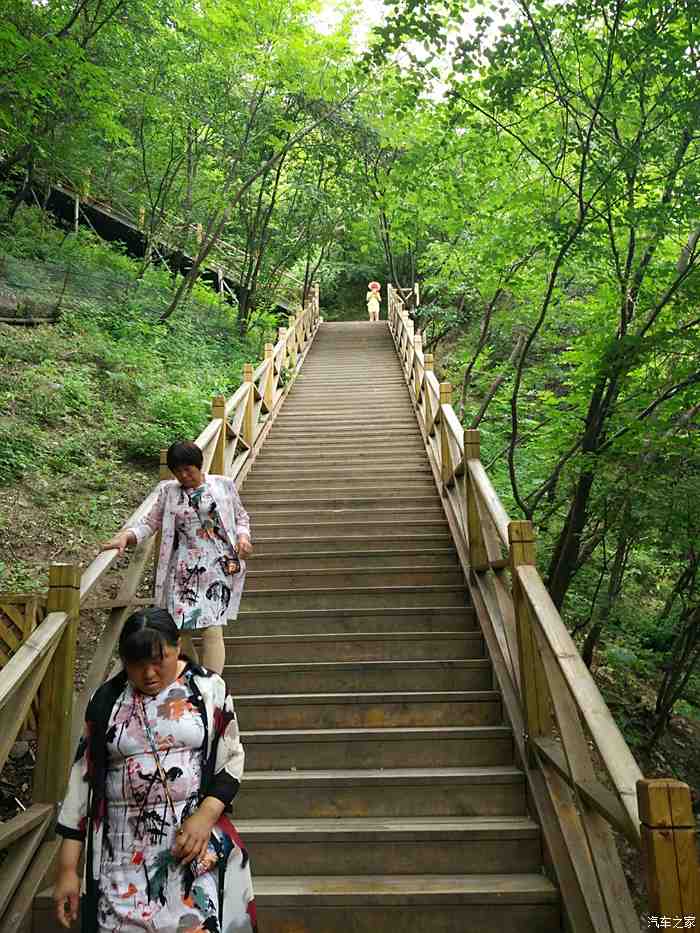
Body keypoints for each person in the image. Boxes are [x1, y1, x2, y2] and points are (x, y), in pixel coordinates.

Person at [53, 608, 256, 932]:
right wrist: (66, 869)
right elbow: (82, 781)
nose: (148, 673)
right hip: (119, 857)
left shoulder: (208, 689)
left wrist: (205, 817)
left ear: (178, 646)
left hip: (190, 852)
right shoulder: (106, 700)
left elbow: (230, 760)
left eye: (158, 660)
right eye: (136, 664)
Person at [102, 441, 252, 675]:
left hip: (217, 566)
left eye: (188, 470)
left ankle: (213, 686)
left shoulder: (223, 485)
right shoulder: (168, 491)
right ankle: (194, 678)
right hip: (183, 568)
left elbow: (241, 517)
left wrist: (243, 538)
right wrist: (126, 536)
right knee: (180, 628)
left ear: (199, 465)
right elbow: (150, 524)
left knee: (212, 627)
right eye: (178, 471)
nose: (183, 476)